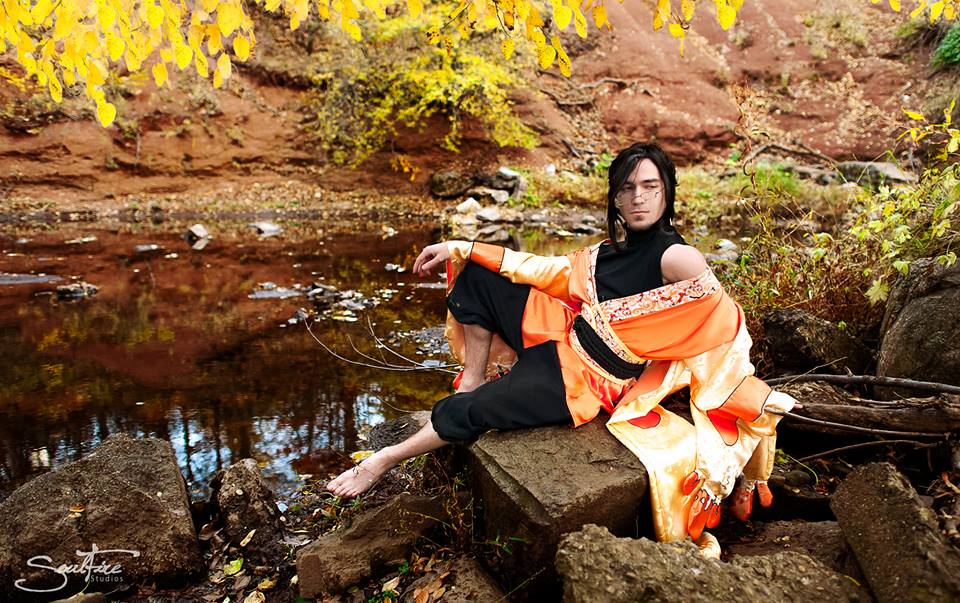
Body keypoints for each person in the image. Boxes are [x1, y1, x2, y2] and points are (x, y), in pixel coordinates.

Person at [326, 142, 796, 548]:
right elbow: (549, 270)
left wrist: (746, 403)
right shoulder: (609, 250)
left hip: (584, 381)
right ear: (615, 197)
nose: (638, 197)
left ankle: (382, 461)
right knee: (477, 274)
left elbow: (725, 330)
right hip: (560, 330)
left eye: (650, 186)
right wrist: (462, 247)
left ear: (667, 192)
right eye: (628, 188)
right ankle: (471, 378)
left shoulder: (678, 258)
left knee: (475, 412)